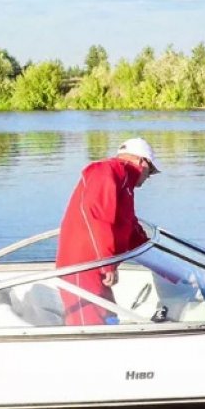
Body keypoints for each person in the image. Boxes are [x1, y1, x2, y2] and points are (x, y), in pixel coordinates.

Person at [55, 137, 161, 325]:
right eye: (150, 171)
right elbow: (96, 217)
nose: (148, 177)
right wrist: (106, 263)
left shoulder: (125, 182)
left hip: (98, 263)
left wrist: (167, 267)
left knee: (108, 317)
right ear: (142, 162)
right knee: (88, 325)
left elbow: (130, 229)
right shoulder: (106, 171)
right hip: (83, 264)